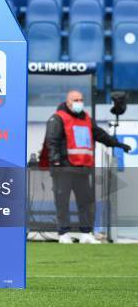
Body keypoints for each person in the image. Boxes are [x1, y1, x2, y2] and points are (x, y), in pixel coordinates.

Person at [45, 90, 132, 244]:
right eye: (76, 99)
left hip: (82, 168)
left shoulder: (86, 119)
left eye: (81, 99)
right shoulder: (58, 118)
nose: (80, 102)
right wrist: (55, 164)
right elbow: (52, 142)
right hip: (64, 168)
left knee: (86, 202)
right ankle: (63, 233)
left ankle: (86, 233)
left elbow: (100, 135)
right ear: (68, 102)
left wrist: (117, 144)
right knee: (62, 201)